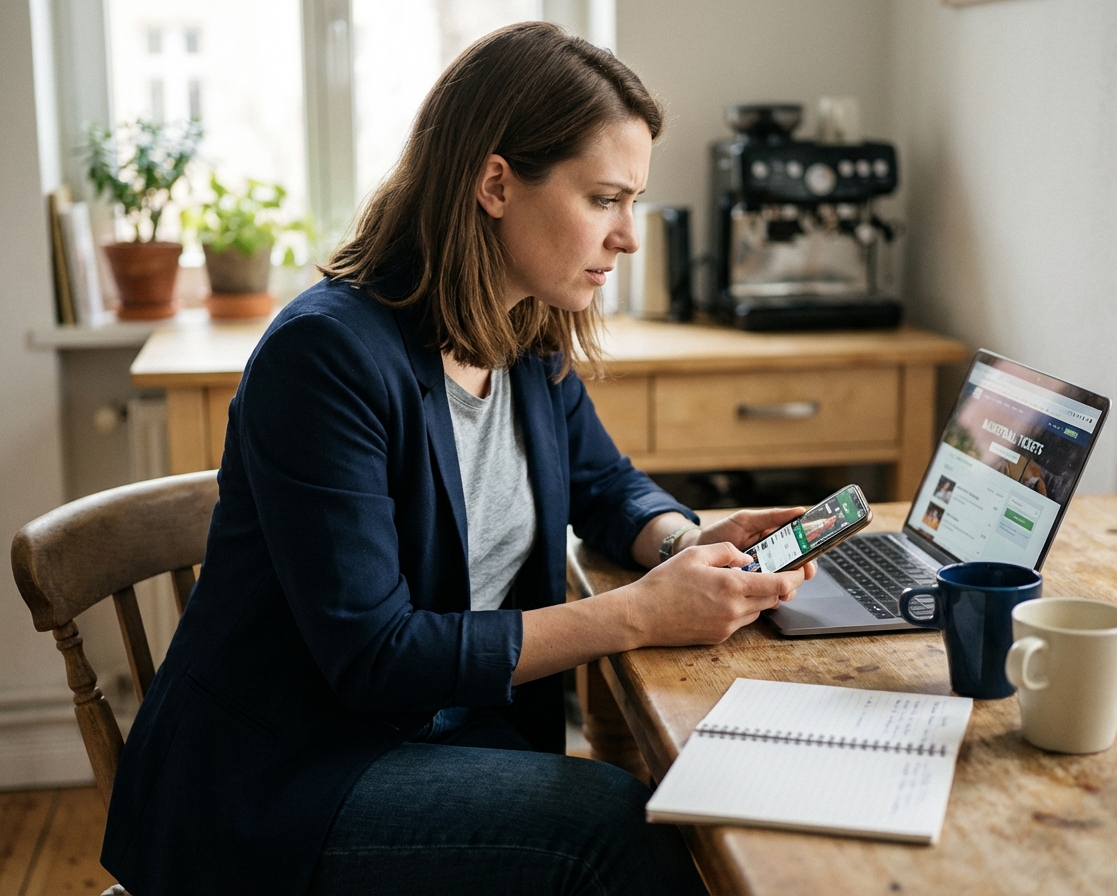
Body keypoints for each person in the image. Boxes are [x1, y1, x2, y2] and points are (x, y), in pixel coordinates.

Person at [100, 22, 815, 896]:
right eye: (604, 199)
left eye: (634, 201)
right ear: (494, 183)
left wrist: (685, 543)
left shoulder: (524, 330)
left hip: (447, 735)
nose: (628, 235)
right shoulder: (324, 358)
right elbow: (375, 653)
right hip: (288, 776)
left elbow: (602, 482)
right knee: (616, 832)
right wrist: (638, 614)